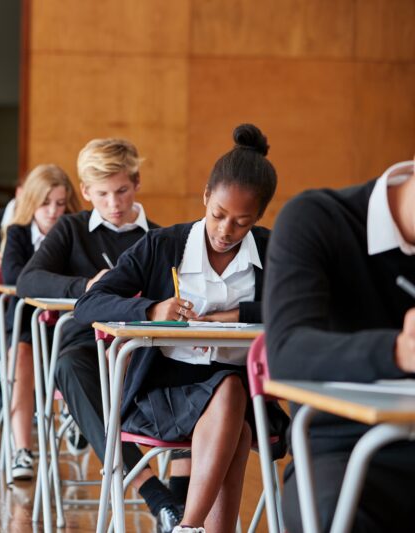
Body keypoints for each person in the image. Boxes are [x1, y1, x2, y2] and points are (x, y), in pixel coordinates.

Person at [75, 124, 287, 533]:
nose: (226, 231)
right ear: (206, 197)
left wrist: (232, 316)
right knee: (231, 401)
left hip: (248, 395)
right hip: (164, 392)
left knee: (234, 404)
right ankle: (191, 527)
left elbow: (304, 307)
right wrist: (152, 309)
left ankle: (189, 529)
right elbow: (90, 303)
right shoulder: (163, 245)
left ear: (259, 217)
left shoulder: (272, 248)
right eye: (218, 215)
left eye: (242, 223)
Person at [16, 138, 190, 530]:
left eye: (122, 191)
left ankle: (182, 502)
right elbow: (28, 280)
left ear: (137, 183)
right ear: (86, 192)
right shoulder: (72, 229)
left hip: (147, 354)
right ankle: (156, 496)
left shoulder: (160, 238)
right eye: (103, 195)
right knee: (67, 366)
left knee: (195, 369)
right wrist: (87, 287)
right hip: (88, 355)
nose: (114, 203)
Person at [264, 155, 415, 533]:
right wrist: (398, 350)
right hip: (342, 449)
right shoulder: (316, 219)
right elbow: (286, 351)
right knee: (338, 519)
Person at [0, 163, 81, 480]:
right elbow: (14, 277)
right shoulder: (18, 233)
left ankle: (77, 414)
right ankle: (23, 449)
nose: (53, 211)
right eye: (46, 203)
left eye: (60, 203)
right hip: (26, 324)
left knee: (79, 350)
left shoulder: (75, 230)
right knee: (22, 355)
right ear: (31, 201)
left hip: (67, 323)